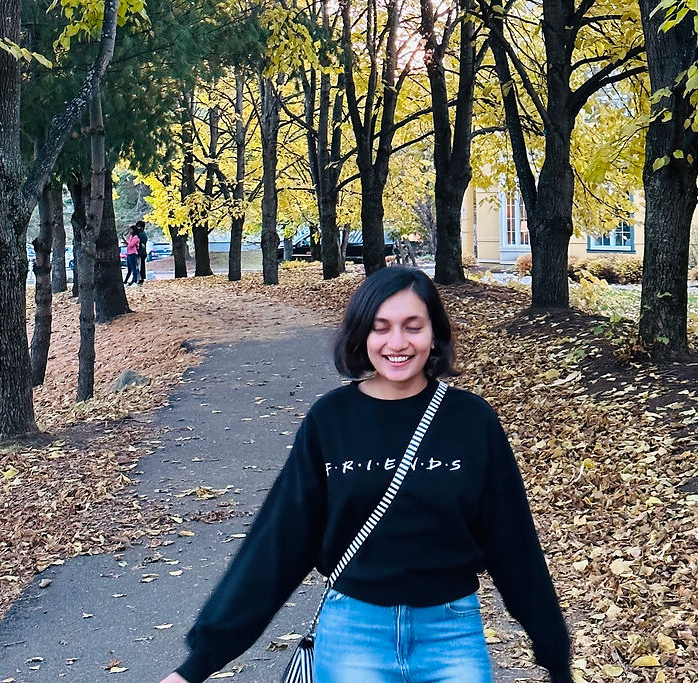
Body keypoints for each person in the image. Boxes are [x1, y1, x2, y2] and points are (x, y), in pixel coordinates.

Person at [158, 265, 573, 683]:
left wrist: (555, 656)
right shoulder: (331, 420)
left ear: (434, 335)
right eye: (381, 328)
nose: (397, 343)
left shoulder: (471, 420)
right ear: (362, 335)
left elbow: (514, 546)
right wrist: (199, 665)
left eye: (413, 327)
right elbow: (278, 543)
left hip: (451, 634)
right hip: (353, 633)